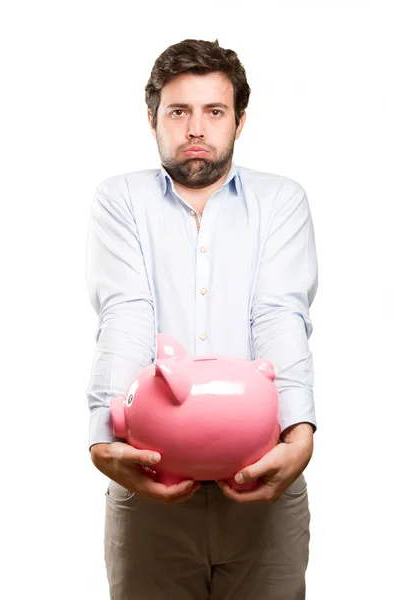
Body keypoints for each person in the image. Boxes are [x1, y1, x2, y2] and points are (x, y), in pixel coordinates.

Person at [85, 38, 318, 600]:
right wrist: (102, 434)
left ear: (239, 120)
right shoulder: (121, 199)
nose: (195, 128)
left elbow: (279, 313)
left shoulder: (281, 201)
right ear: (152, 118)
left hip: (264, 471)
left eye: (213, 111)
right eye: (178, 111)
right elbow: (126, 312)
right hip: (149, 476)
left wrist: (301, 432)